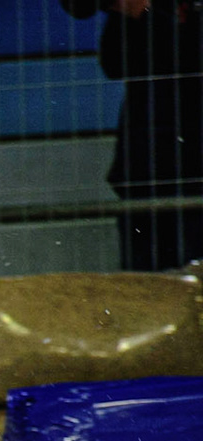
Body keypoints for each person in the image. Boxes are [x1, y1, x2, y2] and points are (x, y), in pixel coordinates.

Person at [61, 0, 203, 271]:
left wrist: (146, 12)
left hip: (186, 158)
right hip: (148, 162)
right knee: (147, 278)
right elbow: (115, 63)